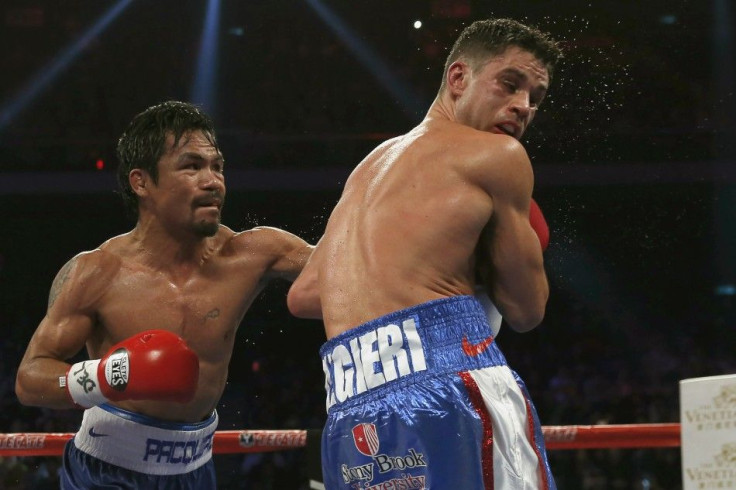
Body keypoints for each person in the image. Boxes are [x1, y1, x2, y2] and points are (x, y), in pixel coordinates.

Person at [288, 18, 562, 489]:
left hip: (349, 410)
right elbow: (527, 310)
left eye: (535, 98)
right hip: (451, 386)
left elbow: (307, 294)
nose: (522, 106)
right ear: (458, 78)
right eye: (510, 84)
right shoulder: (499, 156)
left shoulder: (369, 167)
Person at [15, 100, 313, 489]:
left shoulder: (255, 253)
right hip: (105, 474)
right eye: (192, 166)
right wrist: (107, 377)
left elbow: (347, 273)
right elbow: (30, 378)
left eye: (217, 166)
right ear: (141, 183)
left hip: (194, 471)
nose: (213, 181)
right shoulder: (97, 272)